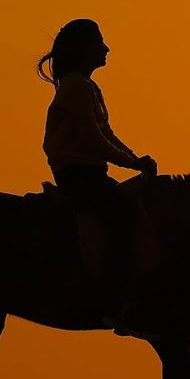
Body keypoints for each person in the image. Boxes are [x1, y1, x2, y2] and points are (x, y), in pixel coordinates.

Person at [38, 19, 157, 327]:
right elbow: (95, 140)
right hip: (79, 175)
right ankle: (114, 298)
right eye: (99, 43)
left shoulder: (86, 86)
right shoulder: (76, 86)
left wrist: (135, 158)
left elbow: (107, 133)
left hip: (92, 173)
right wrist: (133, 163)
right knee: (120, 216)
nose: (106, 49)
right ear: (84, 50)